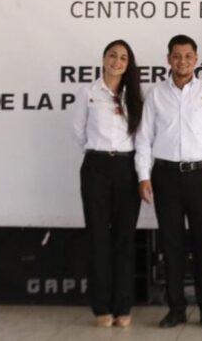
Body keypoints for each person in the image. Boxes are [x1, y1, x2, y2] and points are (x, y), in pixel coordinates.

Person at [136, 34, 202, 329]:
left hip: (201, 176)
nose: (182, 61)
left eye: (188, 56)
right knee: (171, 245)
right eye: (177, 56)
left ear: (196, 58)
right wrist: (143, 176)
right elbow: (143, 139)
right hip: (165, 176)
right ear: (168, 59)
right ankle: (175, 308)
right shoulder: (155, 94)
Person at [72, 39, 143, 328]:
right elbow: (79, 132)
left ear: (129, 64)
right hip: (96, 167)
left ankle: (122, 306)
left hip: (128, 167)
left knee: (124, 239)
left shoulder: (136, 97)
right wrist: (99, 155)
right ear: (103, 59)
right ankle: (101, 307)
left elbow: (142, 138)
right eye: (112, 56)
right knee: (98, 238)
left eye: (123, 57)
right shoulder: (88, 93)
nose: (117, 61)